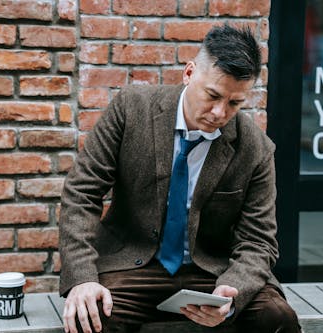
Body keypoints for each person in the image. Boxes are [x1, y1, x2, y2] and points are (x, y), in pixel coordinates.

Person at [59, 24, 300, 333]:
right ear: (189, 73)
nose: (219, 112)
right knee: (88, 318)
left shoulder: (255, 148)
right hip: (133, 265)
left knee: (279, 318)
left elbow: (259, 240)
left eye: (234, 103)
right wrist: (83, 278)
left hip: (213, 270)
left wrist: (232, 291)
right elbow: (81, 193)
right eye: (212, 95)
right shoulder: (131, 109)